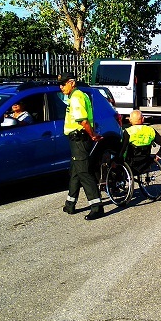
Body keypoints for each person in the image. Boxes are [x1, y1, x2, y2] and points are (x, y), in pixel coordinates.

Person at [59, 72, 104, 220]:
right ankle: (70, 204)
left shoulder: (77, 97)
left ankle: (97, 207)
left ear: (72, 83)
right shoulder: (75, 96)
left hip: (80, 139)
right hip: (76, 139)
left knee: (84, 172)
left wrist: (92, 135)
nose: (61, 87)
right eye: (60, 84)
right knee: (75, 171)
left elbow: (83, 121)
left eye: (64, 84)